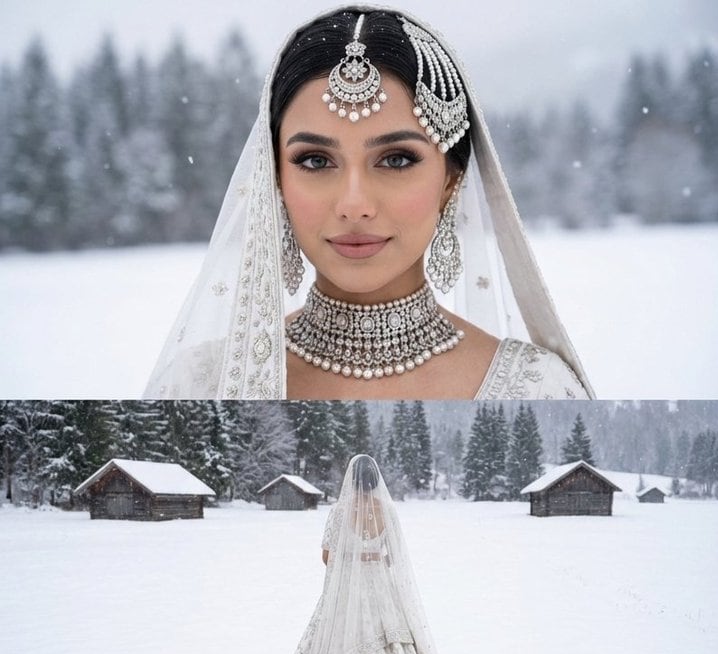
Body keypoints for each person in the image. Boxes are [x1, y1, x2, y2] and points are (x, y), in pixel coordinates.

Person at [143, 8, 594, 401]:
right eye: (316, 160)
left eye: (396, 159)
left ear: (450, 180)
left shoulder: (539, 388)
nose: (354, 205)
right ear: (274, 179)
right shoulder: (200, 384)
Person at [263, 454, 518, 654]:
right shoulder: (388, 512)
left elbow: (328, 557)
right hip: (382, 592)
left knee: (338, 649)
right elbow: (395, 557)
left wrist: (353, 560)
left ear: (351, 480)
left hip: (348, 595)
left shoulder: (340, 512)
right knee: (394, 653)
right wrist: (372, 556)